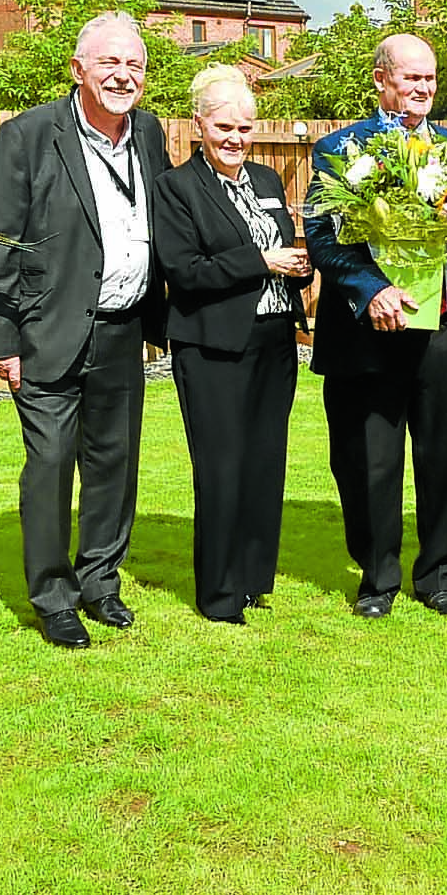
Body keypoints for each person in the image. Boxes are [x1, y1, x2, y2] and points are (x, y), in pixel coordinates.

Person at [0, 11, 172, 650]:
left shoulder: (147, 131)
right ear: (78, 69)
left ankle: (100, 582)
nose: (124, 75)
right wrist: (1, 338)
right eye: (110, 63)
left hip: (122, 330)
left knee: (114, 464)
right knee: (51, 465)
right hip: (48, 332)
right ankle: (53, 597)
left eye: (135, 65)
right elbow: (1, 240)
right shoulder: (28, 137)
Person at [305, 33, 447, 618]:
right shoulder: (339, 151)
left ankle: (441, 576)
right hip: (372, 331)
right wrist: (372, 289)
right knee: (367, 457)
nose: (422, 89)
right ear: (380, 80)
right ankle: (377, 579)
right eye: (410, 77)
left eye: (429, 79)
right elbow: (323, 236)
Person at [152, 66, 312, 625]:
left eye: (245, 128)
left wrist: (296, 267)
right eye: (224, 127)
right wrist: (262, 261)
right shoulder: (177, 188)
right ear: (199, 124)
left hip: (272, 341)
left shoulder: (267, 181)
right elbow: (184, 270)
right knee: (221, 467)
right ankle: (218, 594)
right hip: (212, 347)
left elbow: (283, 247)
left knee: (265, 462)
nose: (236, 139)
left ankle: (252, 579)